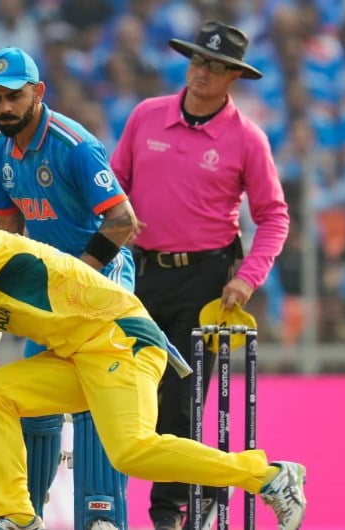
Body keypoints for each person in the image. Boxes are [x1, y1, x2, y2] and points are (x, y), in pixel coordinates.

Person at [0, 190, 307, 530]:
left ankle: (269, 476)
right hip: (80, 356)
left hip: (122, 339)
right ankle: (15, 517)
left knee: (131, 451)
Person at [109, 21, 291, 530]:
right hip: (141, 272)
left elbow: (274, 216)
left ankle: (170, 512)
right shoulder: (146, 116)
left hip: (207, 280)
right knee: (129, 390)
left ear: (235, 76)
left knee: (181, 400)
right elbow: (114, 184)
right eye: (197, 60)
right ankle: (209, 485)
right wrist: (116, 222)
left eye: (215, 65)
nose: (202, 72)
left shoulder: (247, 138)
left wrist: (247, 278)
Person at [0, 46, 139, 530]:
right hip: (49, 290)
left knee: (95, 395)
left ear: (38, 92)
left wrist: (78, 279)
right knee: (31, 400)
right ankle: (25, 516)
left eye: (14, 96)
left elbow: (122, 221)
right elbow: (7, 231)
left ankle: (101, 516)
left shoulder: (74, 146)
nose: (4, 107)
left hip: (101, 280)